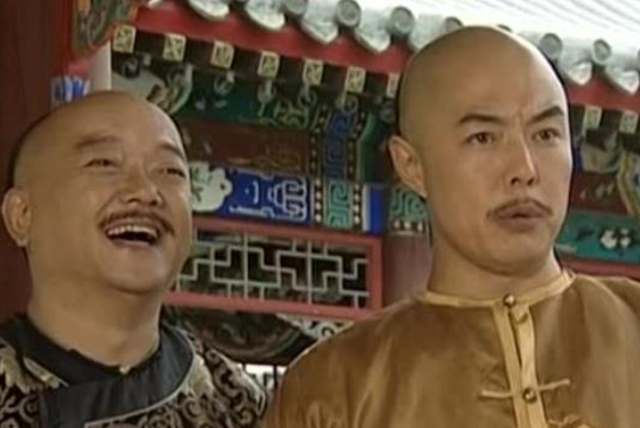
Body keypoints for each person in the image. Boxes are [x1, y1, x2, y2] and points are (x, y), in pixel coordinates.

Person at [262, 27, 640, 428]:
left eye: (546, 134)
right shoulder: (333, 391)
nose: (525, 169)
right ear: (411, 165)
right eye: (483, 138)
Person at [0, 91, 265, 427]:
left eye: (169, 170)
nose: (145, 192)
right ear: (22, 215)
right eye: (104, 163)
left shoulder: (238, 404)